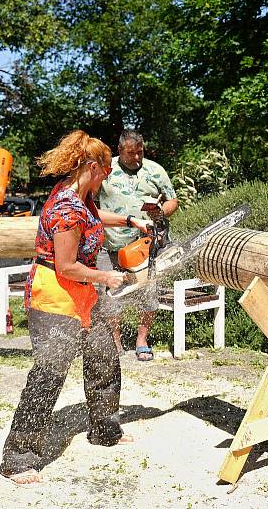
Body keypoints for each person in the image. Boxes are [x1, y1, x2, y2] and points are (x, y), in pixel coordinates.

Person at [0, 130, 151, 486]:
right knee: (48, 375)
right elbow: (66, 265)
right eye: (106, 170)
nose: (109, 176)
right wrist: (106, 276)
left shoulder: (81, 198)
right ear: (91, 167)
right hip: (54, 296)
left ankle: (104, 429)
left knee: (103, 358)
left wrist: (132, 221)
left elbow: (96, 219)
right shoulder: (66, 206)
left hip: (83, 295)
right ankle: (17, 457)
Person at [97, 130, 178, 361]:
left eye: (139, 152)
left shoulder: (154, 170)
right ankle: (115, 341)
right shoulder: (106, 169)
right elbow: (90, 203)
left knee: (148, 293)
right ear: (120, 150)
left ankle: (142, 339)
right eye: (131, 153)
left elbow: (173, 199)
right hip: (110, 244)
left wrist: (161, 212)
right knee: (110, 296)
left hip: (145, 246)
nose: (136, 158)